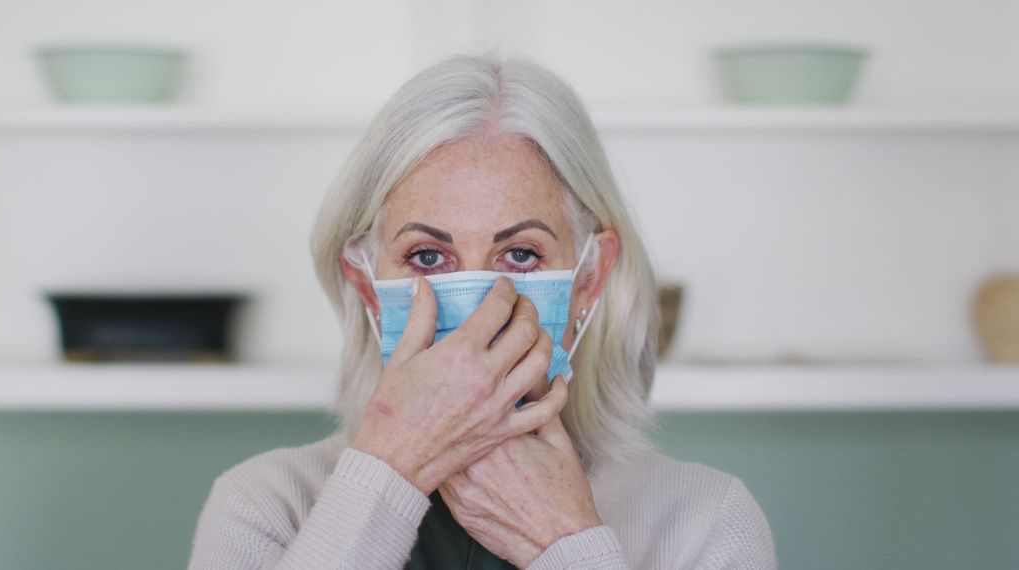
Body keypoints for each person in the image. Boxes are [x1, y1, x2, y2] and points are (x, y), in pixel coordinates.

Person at [187, 51, 776, 570]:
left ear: (588, 280)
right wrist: (392, 468)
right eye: (426, 256)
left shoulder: (706, 523)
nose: (478, 315)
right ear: (368, 288)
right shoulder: (263, 506)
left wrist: (566, 543)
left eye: (520, 254)